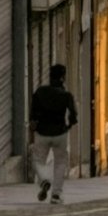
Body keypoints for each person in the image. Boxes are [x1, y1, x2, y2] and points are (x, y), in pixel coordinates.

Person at [30, 63, 78, 204]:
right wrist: (68, 125)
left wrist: (34, 125)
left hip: (42, 132)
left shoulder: (40, 92)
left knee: (38, 160)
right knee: (60, 162)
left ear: (50, 77)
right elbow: (73, 115)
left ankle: (44, 179)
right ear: (63, 78)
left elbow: (33, 115)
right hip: (60, 132)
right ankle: (56, 194)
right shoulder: (66, 95)